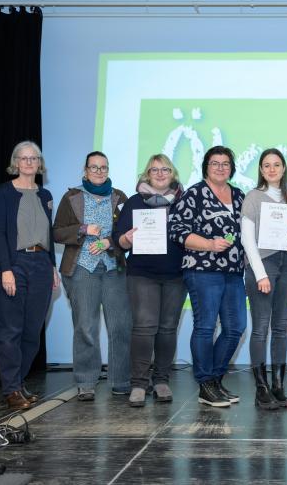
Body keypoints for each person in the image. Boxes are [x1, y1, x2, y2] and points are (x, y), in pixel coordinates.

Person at [169, 146, 247, 407]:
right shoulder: (194, 194)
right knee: (205, 327)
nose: (221, 167)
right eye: (215, 163)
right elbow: (177, 230)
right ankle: (205, 383)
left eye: (226, 163)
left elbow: (249, 231)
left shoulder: (239, 196)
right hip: (203, 270)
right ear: (206, 166)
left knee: (235, 327)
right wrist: (209, 244)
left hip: (234, 271)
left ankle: (214, 380)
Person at [53, 151, 132, 401]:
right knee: (86, 326)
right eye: (94, 167)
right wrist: (83, 229)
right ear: (85, 170)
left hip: (113, 269)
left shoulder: (120, 198)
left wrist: (110, 242)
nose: (99, 172)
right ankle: (86, 382)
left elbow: (128, 235)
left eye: (103, 168)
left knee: (120, 325)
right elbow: (57, 233)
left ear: (108, 170)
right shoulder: (71, 197)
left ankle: (120, 380)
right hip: (81, 269)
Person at [0, 141, 60, 410]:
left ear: (40, 163)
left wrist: (52, 267)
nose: (29, 163)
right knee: (10, 331)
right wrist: (6, 269)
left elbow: (49, 235)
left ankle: (17, 383)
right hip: (12, 264)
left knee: (32, 332)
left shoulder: (45, 195)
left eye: (34, 158)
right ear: (15, 162)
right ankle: (11, 390)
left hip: (41, 264)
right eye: (24, 158)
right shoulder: (3, 193)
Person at [112, 154, 187, 407]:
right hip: (142, 273)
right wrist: (126, 240)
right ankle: (139, 384)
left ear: (173, 173)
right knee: (144, 327)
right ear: (147, 174)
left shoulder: (184, 202)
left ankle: (162, 380)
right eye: (154, 169)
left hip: (177, 274)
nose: (160, 173)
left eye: (165, 168)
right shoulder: (134, 202)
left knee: (167, 328)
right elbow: (118, 240)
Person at [240, 148, 287, 410]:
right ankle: (261, 389)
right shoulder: (253, 197)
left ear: (284, 168)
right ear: (261, 170)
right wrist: (260, 274)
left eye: (277, 164)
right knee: (261, 327)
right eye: (267, 165)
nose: (272, 169)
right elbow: (246, 238)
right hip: (262, 264)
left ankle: (278, 386)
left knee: (280, 328)